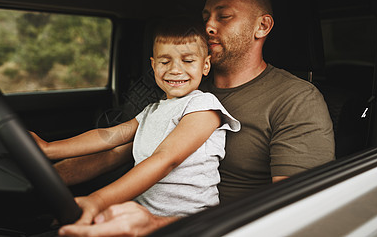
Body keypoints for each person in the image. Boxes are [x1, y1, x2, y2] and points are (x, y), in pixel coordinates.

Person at [57, 0, 335, 236]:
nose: (208, 26)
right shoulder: (184, 89)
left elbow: (293, 212)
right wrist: (49, 177)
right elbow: (117, 152)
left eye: (223, 17)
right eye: (205, 18)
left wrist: (157, 225)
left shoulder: (296, 99)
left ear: (261, 26)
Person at [32, 18, 241, 225]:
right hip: (142, 215)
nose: (175, 70)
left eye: (187, 61)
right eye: (165, 61)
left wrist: (97, 201)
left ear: (205, 65)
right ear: (153, 65)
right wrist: (49, 149)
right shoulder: (152, 110)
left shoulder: (203, 106)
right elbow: (109, 136)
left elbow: (166, 160)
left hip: (188, 223)